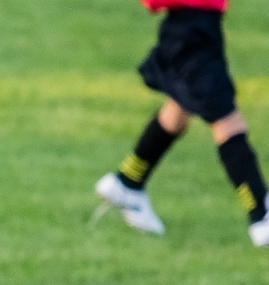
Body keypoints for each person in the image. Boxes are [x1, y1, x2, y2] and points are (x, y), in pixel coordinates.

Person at [94, 0, 269, 246]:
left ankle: (128, 182)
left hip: (191, 29)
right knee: (227, 122)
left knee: (178, 110)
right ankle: (260, 213)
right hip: (192, 32)